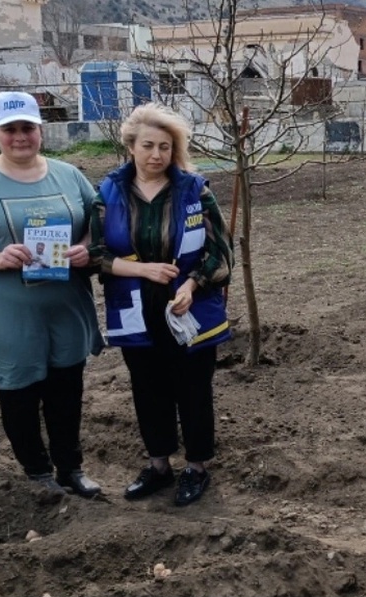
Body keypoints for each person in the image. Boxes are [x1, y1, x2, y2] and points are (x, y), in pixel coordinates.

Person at [0, 91, 104, 498]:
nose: (20, 137)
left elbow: (96, 219)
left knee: (67, 390)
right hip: (8, 312)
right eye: (9, 129)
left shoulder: (68, 175)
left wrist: (84, 246)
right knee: (21, 392)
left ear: (40, 130)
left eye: (28, 127)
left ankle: (70, 468)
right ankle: (37, 473)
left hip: (64, 307)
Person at [90, 102, 233, 507]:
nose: (157, 155)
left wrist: (192, 284)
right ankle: (158, 466)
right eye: (148, 145)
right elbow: (96, 254)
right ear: (131, 147)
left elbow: (220, 252)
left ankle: (197, 467)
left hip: (190, 311)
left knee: (193, 391)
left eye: (165, 147)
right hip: (135, 312)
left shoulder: (194, 190)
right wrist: (145, 271)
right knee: (147, 389)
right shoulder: (108, 193)